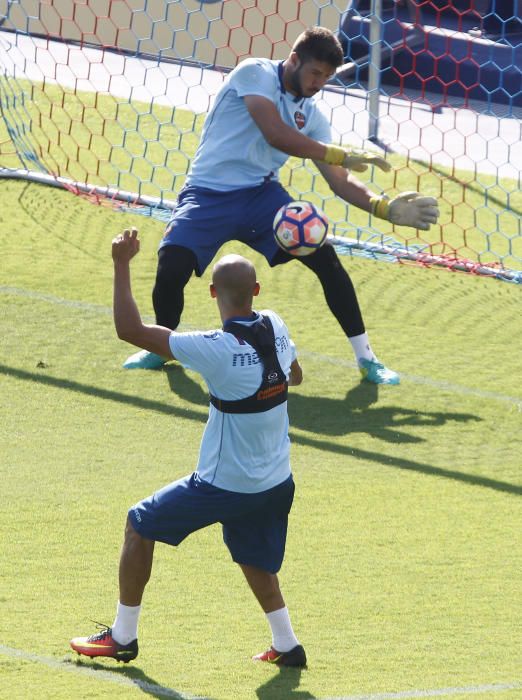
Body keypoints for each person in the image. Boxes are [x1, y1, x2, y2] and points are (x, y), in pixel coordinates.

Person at [123, 25, 439, 384]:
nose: (320, 82)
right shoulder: (254, 73)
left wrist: (384, 207)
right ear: (294, 60)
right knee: (171, 266)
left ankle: (368, 360)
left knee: (326, 259)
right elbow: (274, 131)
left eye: (327, 76)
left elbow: (340, 180)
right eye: (315, 72)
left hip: (261, 196)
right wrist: (337, 153)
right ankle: (161, 346)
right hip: (207, 193)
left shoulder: (313, 117)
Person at [70, 228, 307, 667]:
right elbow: (295, 375)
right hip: (276, 481)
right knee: (254, 557)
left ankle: (122, 636)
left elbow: (130, 330)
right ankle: (288, 645)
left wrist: (121, 263)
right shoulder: (275, 323)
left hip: (224, 484)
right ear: (255, 291)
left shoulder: (214, 349)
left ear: (213, 292)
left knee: (140, 523)